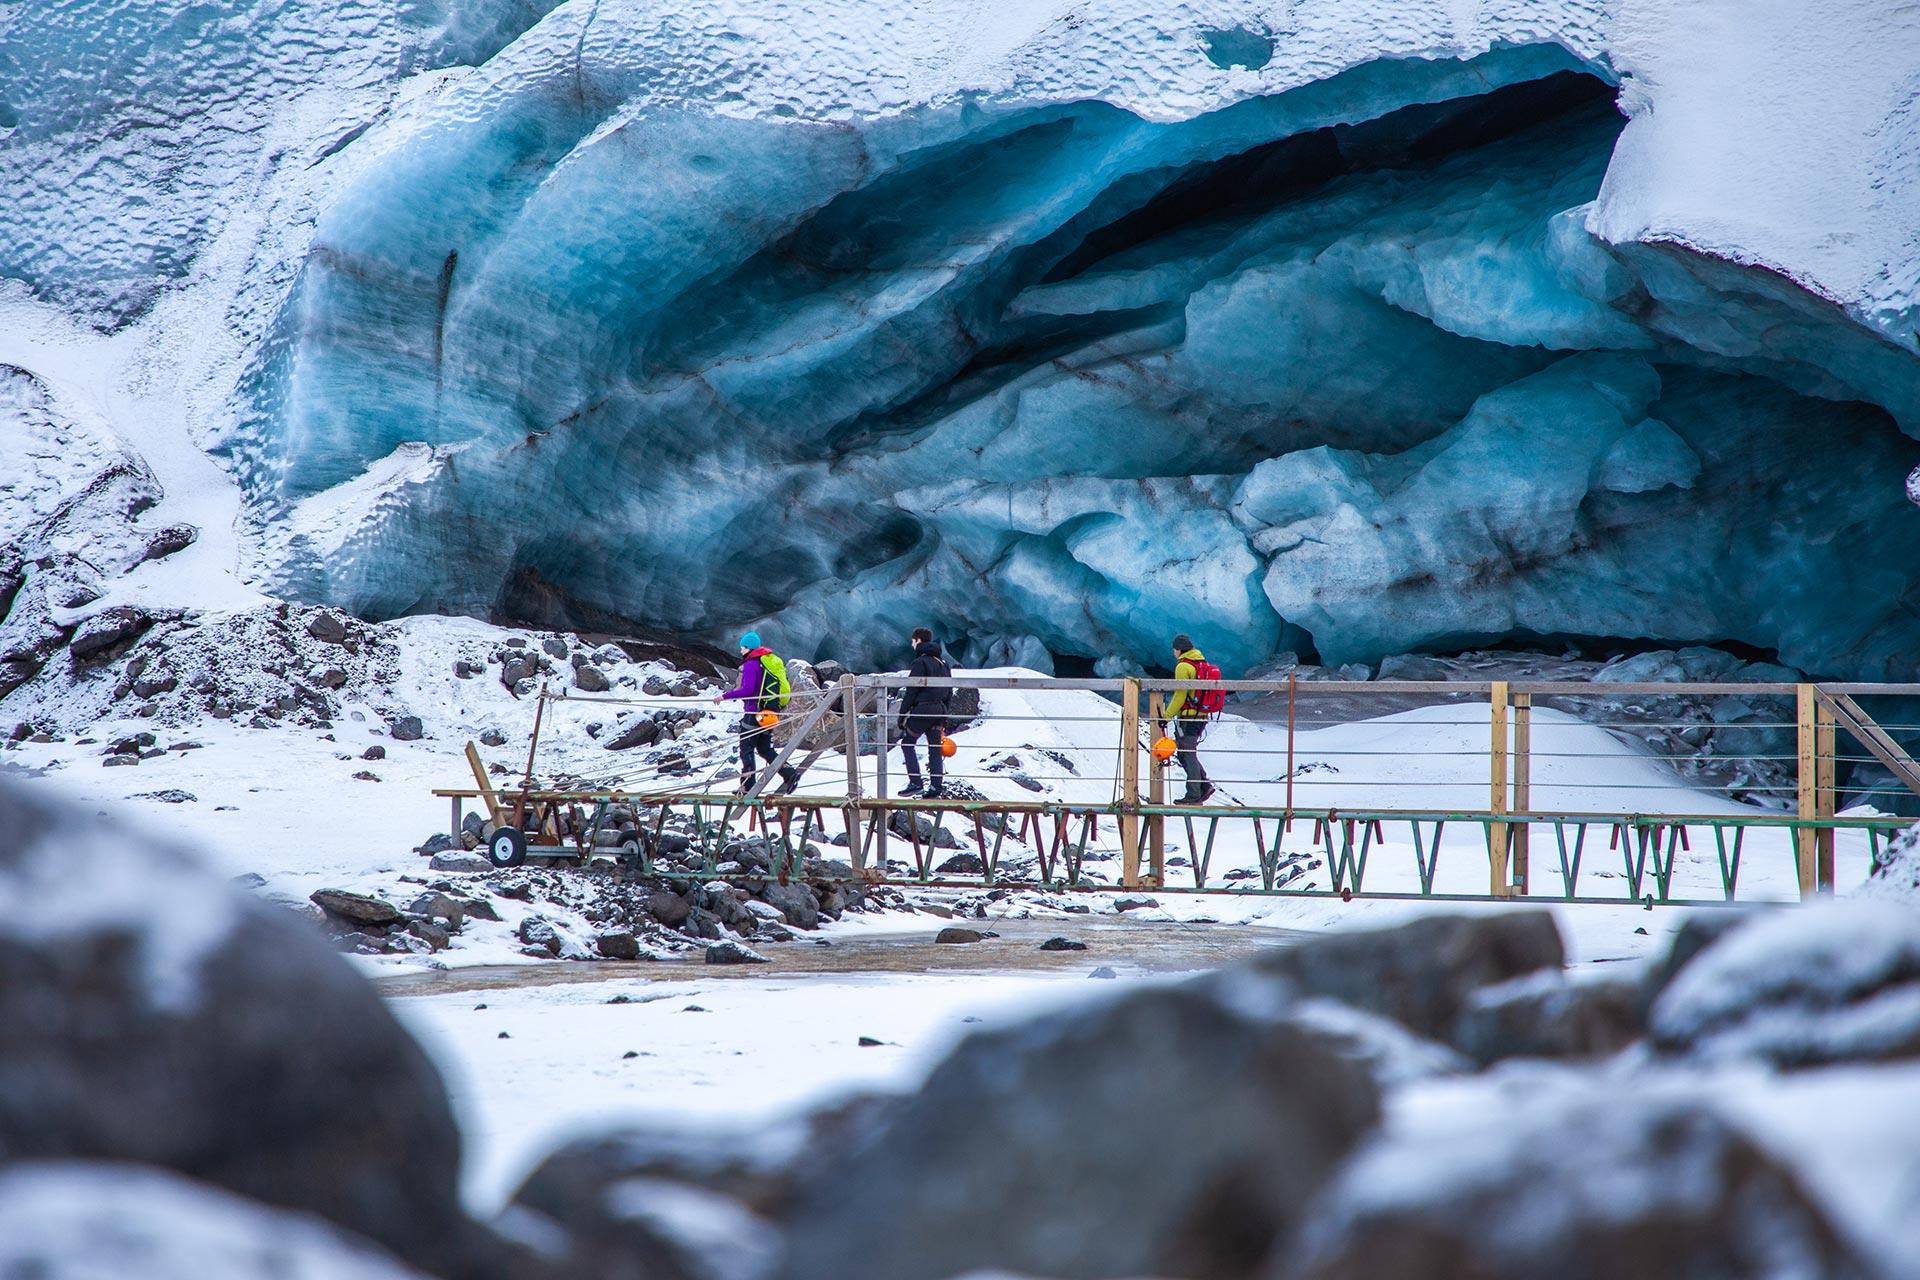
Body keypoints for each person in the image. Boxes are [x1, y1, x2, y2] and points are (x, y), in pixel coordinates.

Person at [714, 631, 799, 796]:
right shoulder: (766, 662)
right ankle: (789, 774)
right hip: (768, 713)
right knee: (765, 748)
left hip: (753, 713)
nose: (740, 651)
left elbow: (747, 690)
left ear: (748, 648)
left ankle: (748, 786)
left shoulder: (751, 665)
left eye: (742, 647)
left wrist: (724, 696)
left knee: (746, 749)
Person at [896, 626, 952, 798]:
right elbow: (949, 690)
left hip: (923, 710)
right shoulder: (943, 663)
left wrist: (902, 714)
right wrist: (945, 714)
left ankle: (915, 783)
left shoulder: (920, 662)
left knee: (907, 743)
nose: (912, 645)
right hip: (939, 710)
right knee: (934, 748)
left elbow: (912, 690)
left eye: (913, 641)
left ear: (918, 640)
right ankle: (936, 787)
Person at [1162, 633, 1215, 804]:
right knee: (1186, 753)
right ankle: (1204, 785)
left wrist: (1167, 716)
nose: (1174, 653)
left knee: (1187, 754)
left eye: (1174, 650)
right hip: (1202, 715)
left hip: (1189, 717)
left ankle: (1194, 793)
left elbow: (1180, 694)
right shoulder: (1202, 663)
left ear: (1178, 649)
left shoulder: (1183, 666)